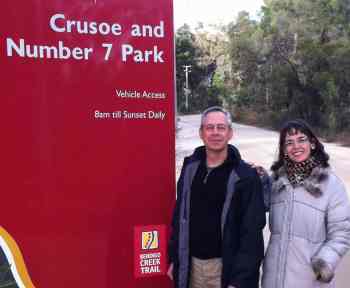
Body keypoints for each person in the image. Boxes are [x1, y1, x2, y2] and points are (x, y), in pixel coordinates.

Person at [167, 106, 266, 288]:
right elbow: (179, 217)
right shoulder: (190, 168)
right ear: (201, 133)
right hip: (192, 267)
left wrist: (239, 281)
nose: (215, 133)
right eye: (209, 127)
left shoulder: (245, 177)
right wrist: (175, 259)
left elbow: (251, 236)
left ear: (230, 133)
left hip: (226, 269)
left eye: (221, 127)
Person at [261, 119, 350, 288]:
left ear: (313, 143)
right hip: (273, 280)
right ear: (284, 149)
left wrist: (322, 265)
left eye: (301, 140)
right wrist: (255, 176)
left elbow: (341, 234)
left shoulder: (331, 185)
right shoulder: (276, 183)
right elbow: (257, 206)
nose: (296, 147)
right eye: (289, 143)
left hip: (309, 281)